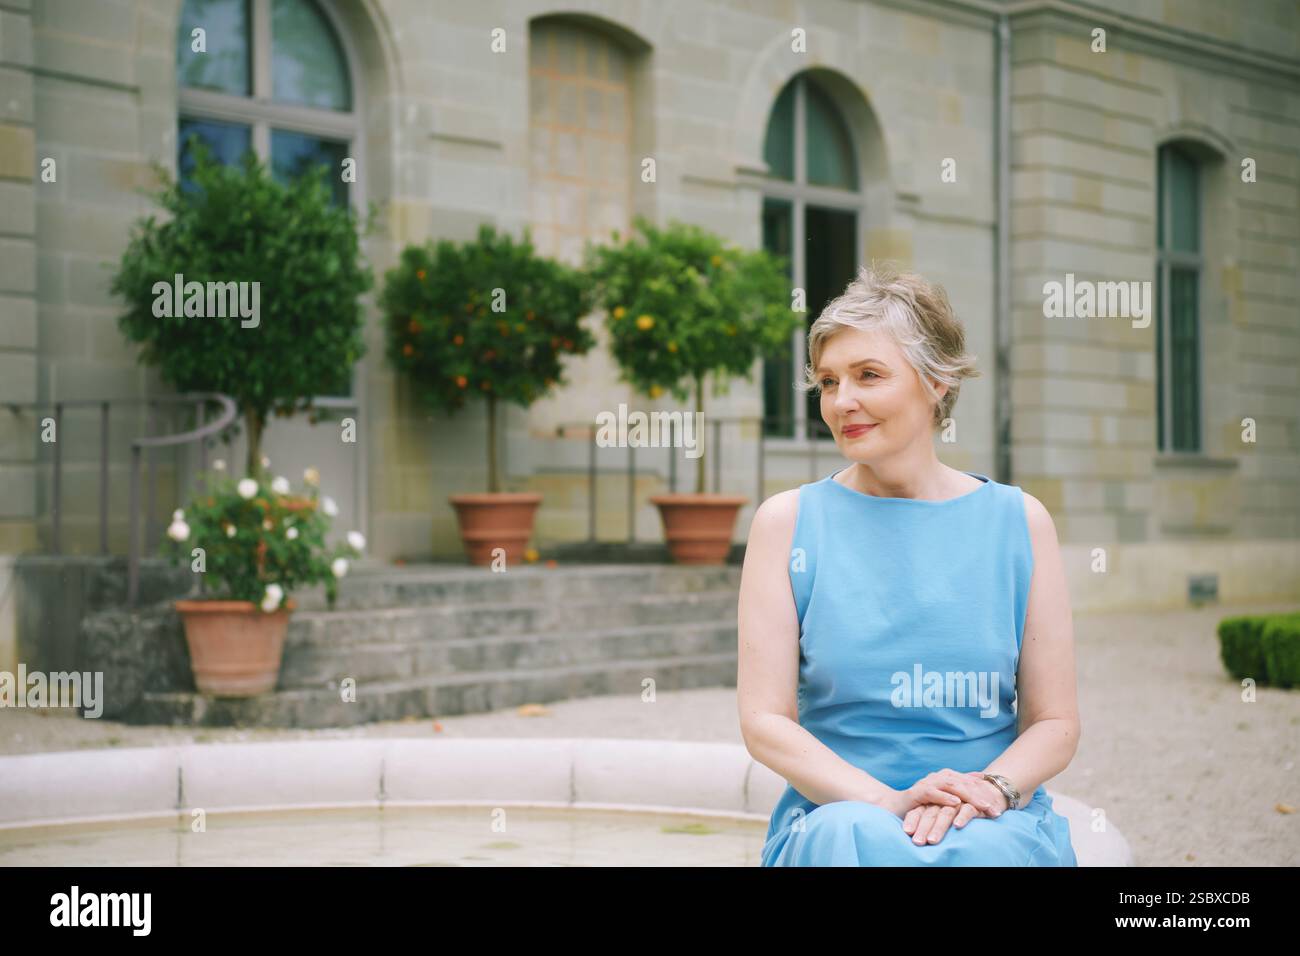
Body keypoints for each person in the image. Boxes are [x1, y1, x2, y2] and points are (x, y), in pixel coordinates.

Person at [737, 263, 1080, 866]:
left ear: (937, 380)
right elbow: (765, 721)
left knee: (988, 855)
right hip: (838, 815)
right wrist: (886, 801)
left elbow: (1054, 722)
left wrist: (987, 792)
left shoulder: (1020, 522)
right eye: (828, 381)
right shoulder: (786, 523)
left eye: (869, 375)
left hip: (986, 815)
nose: (844, 401)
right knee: (846, 839)